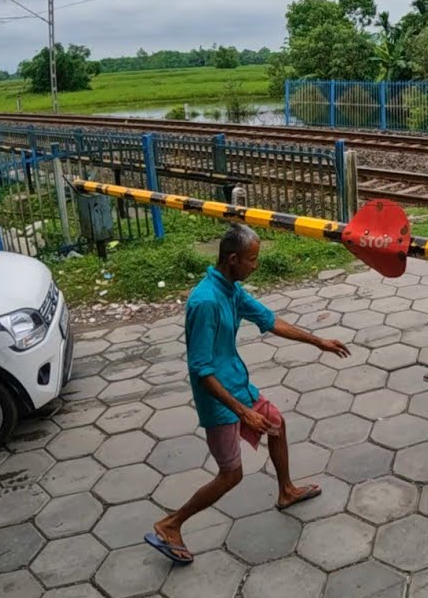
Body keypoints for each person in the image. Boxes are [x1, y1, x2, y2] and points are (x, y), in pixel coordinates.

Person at [145, 224, 350, 565]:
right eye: (253, 259)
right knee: (231, 475)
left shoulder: (230, 289)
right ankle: (170, 524)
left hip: (238, 385)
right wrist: (242, 412)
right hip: (219, 401)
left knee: (277, 424)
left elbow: (270, 321)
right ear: (233, 259)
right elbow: (201, 370)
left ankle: (286, 491)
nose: (256, 266)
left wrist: (319, 342)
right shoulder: (206, 302)